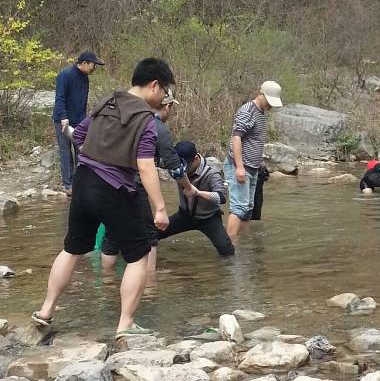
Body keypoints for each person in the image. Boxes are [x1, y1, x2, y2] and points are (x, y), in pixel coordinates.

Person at [33, 58, 175, 339]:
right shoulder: (146, 120)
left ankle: (45, 311)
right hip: (114, 189)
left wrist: (96, 155)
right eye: (165, 91)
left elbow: (79, 135)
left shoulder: (106, 101)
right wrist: (160, 208)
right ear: (154, 85)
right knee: (139, 255)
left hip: (83, 181)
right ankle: (125, 325)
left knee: (72, 249)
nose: (164, 97)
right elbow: (145, 165)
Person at [100, 91, 196, 275]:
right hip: (134, 185)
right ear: (167, 106)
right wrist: (188, 187)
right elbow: (174, 166)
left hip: (109, 180)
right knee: (149, 235)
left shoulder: (127, 119)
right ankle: (150, 284)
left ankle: (107, 282)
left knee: (112, 234)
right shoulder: (158, 128)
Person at [227, 81, 283, 242]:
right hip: (241, 166)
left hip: (253, 168)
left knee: (247, 208)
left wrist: (259, 162)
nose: (271, 106)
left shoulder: (262, 112)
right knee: (238, 208)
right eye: (269, 101)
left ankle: (242, 242)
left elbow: (255, 140)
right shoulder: (247, 111)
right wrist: (239, 167)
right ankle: (230, 244)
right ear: (261, 95)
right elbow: (236, 137)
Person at [159, 142, 234, 256]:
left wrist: (198, 193)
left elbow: (222, 198)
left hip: (209, 219)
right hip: (184, 216)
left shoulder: (211, 173)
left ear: (195, 159)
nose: (182, 170)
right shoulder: (175, 166)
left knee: (227, 251)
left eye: (186, 166)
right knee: (151, 233)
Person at [52, 51, 104, 195]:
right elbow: (60, 98)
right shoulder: (65, 75)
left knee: (81, 151)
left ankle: (80, 182)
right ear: (85, 63)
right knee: (65, 152)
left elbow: (83, 102)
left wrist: (86, 121)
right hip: (63, 120)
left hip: (79, 120)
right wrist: (63, 117)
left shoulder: (85, 78)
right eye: (93, 65)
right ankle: (68, 185)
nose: (94, 68)